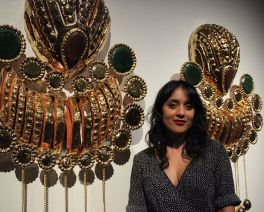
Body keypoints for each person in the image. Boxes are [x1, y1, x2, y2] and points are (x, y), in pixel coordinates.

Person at [126, 80, 240, 212]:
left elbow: (226, 205)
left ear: (195, 113)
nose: (181, 112)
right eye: (172, 105)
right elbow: (137, 209)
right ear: (160, 111)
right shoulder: (142, 161)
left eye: (188, 106)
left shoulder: (214, 152)